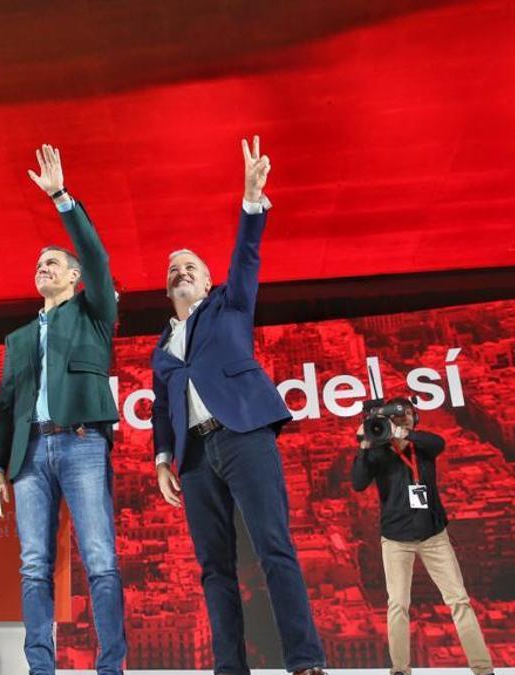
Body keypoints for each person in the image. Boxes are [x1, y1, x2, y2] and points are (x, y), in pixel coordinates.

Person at [150, 136, 327, 675]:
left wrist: (251, 200)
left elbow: (246, 254)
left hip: (244, 435)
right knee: (213, 568)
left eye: (190, 266)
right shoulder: (160, 350)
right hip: (196, 460)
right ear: (167, 290)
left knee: (274, 547)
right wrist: (162, 459)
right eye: (173, 269)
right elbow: (162, 407)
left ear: (207, 281)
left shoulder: (230, 304)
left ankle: (305, 661)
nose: (181, 270)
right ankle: (229, 668)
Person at [0, 144, 125, 674]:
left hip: (82, 442)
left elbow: (97, 256)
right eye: (39, 265)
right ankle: (40, 667)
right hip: (27, 456)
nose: (43, 269)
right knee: (33, 567)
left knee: (101, 561)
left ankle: (110, 667)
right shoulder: (18, 338)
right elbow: (4, 408)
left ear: (73, 277)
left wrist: (61, 198)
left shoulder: (93, 313)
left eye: (53, 263)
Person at [351, 397, 495, 675]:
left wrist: (405, 434)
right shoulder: (380, 453)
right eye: (398, 417)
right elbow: (358, 483)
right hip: (395, 538)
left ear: (415, 419)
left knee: (459, 600)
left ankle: (482, 668)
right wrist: (365, 444)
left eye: (407, 415)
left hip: (433, 535)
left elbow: (437, 442)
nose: (403, 419)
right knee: (398, 605)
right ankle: (400, 670)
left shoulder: (423, 447)